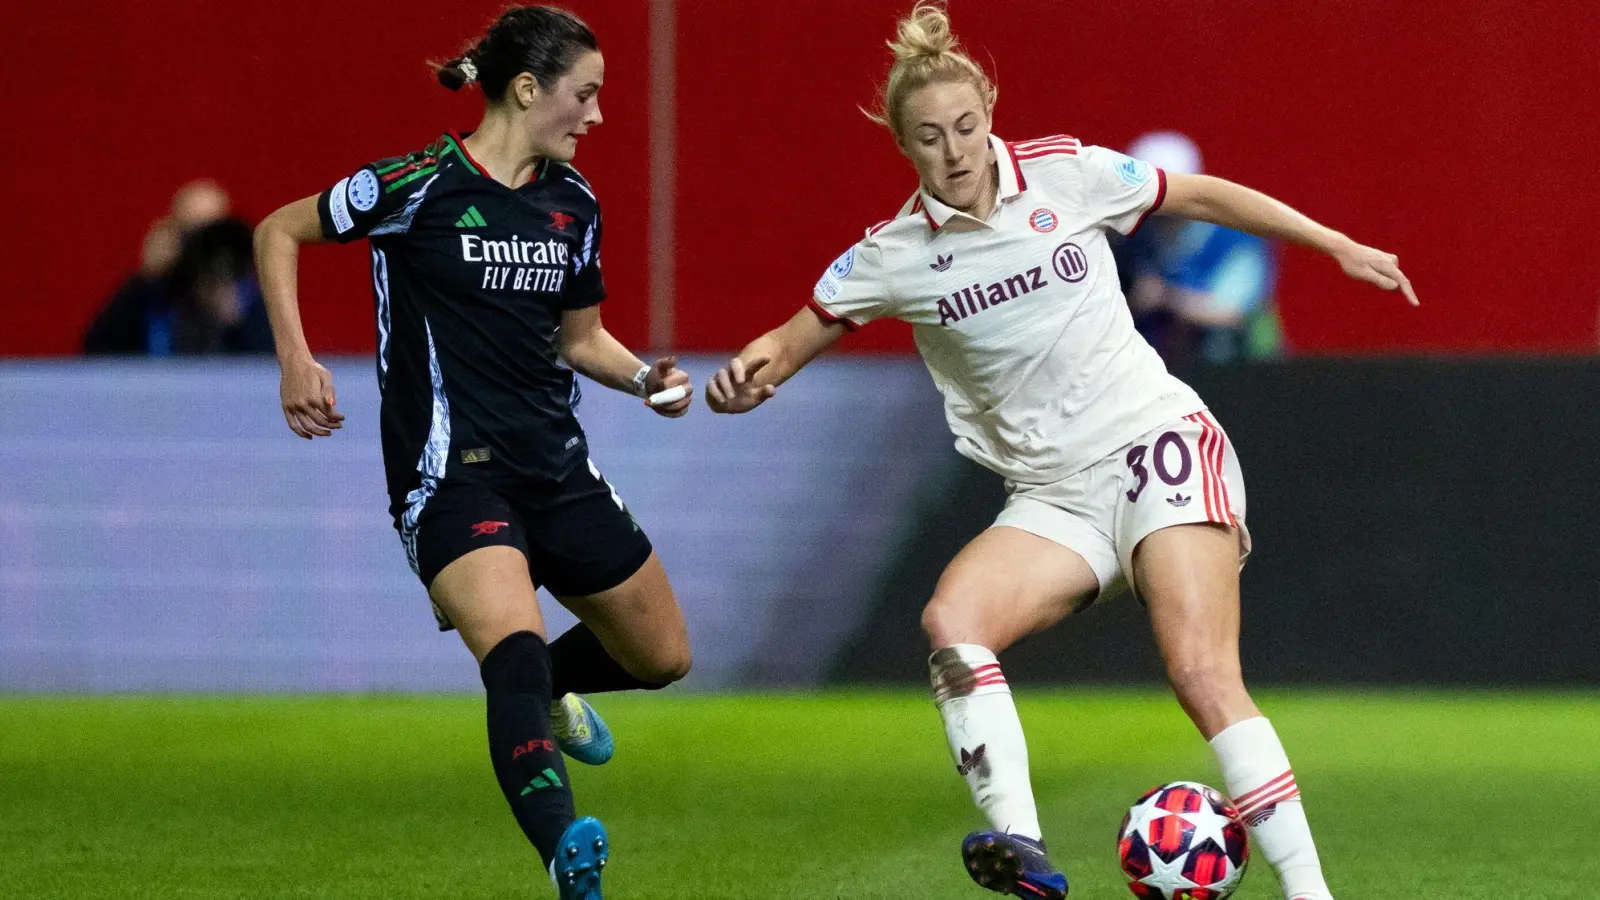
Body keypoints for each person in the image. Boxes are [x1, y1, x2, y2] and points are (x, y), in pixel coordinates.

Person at [705, 4, 1416, 900]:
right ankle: (1024, 850)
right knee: (951, 623)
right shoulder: (891, 256)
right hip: (1052, 494)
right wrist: (746, 379)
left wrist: (1332, 242)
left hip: (1153, 441)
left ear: (989, 115)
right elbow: (793, 334)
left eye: (966, 126)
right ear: (905, 147)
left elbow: (1199, 195)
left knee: (1200, 673)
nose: (955, 150)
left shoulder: (1065, 174)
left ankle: (1312, 894)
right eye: (931, 138)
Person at [251, 7, 694, 898]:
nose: (598, 117)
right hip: (448, 476)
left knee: (662, 657)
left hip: (556, 468)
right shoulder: (415, 182)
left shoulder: (577, 204)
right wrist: (296, 360)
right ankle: (566, 850)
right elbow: (278, 231)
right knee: (516, 652)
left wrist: (646, 381)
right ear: (528, 90)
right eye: (587, 95)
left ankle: (538, 701)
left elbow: (582, 339)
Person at [1114, 131, 1281, 371]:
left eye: (1162, 192)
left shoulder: (1238, 237)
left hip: (1239, 368)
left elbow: (1230, 311)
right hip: (1156, 373)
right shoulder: (1130, 239)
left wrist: (1163, 296)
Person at [85, 181, 273, 355]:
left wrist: (235, 314)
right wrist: (143, 281)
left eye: (212, 232)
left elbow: (266, 367)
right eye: (193, 232)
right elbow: (96, 350)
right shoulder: (152, 292)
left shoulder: (244, 297)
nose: (201, 246)